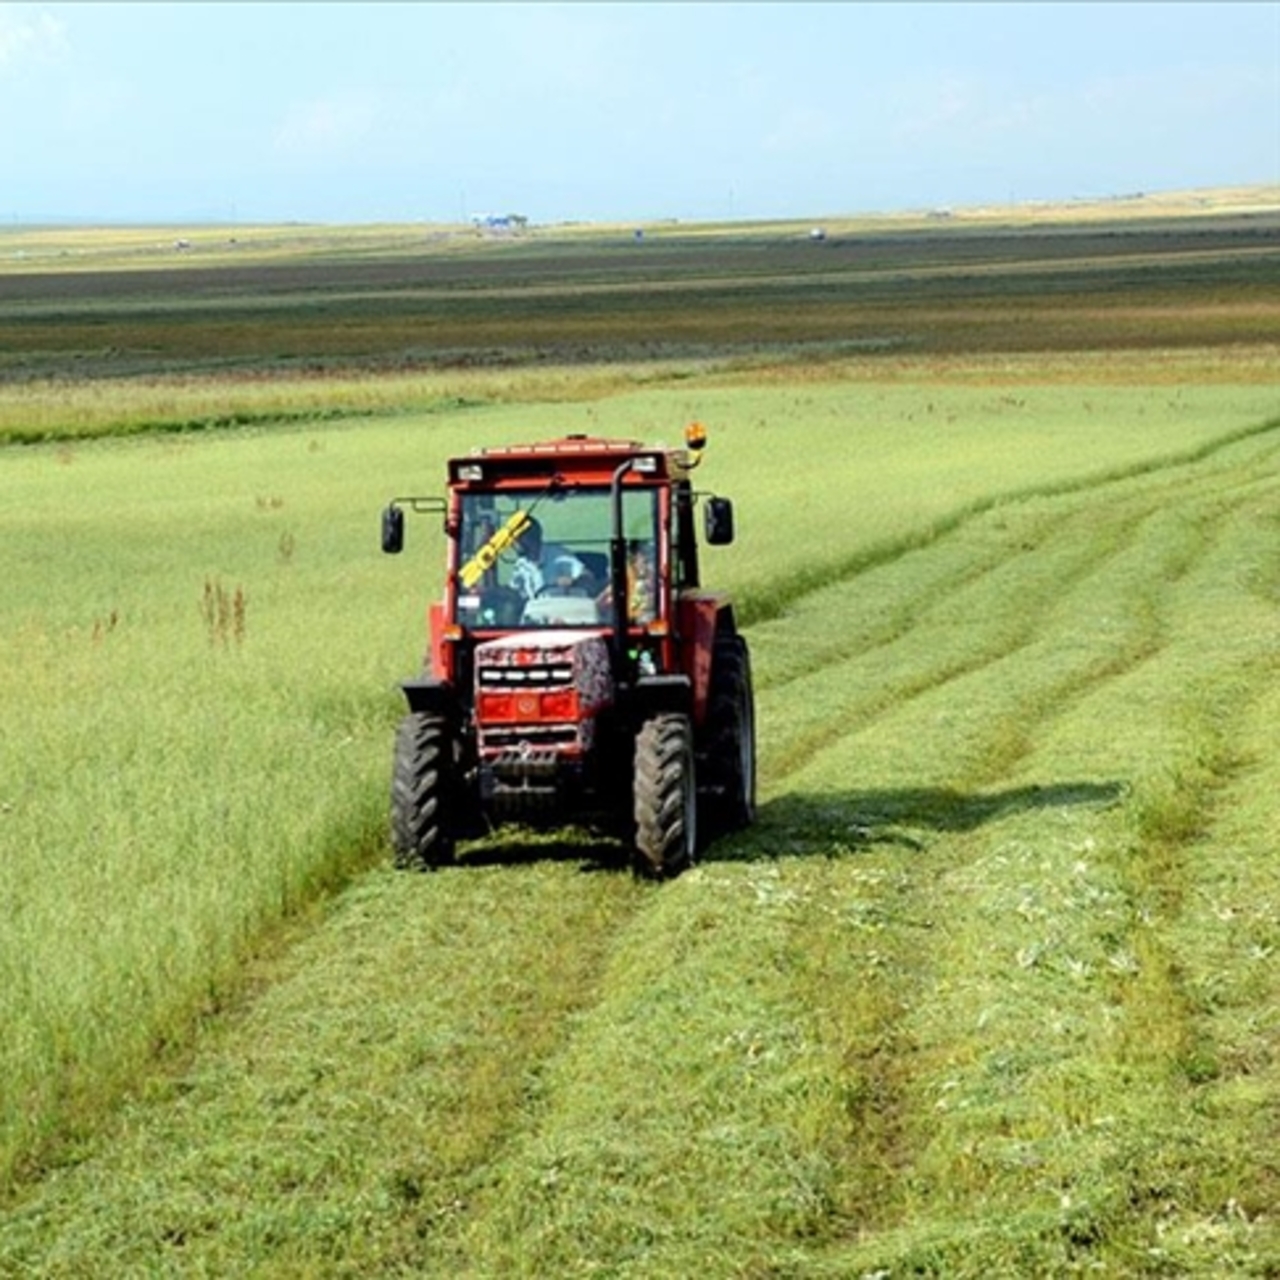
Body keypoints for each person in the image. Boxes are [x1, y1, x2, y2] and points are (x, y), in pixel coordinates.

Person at [510, 518, 588, 602]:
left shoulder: (557, 554)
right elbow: (514, 592)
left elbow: (586, 576)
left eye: (516, 538)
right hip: (535, 610)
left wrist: (571, 581)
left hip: (560, 607)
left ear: (531, 536)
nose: (513, 543)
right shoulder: (521, 564)